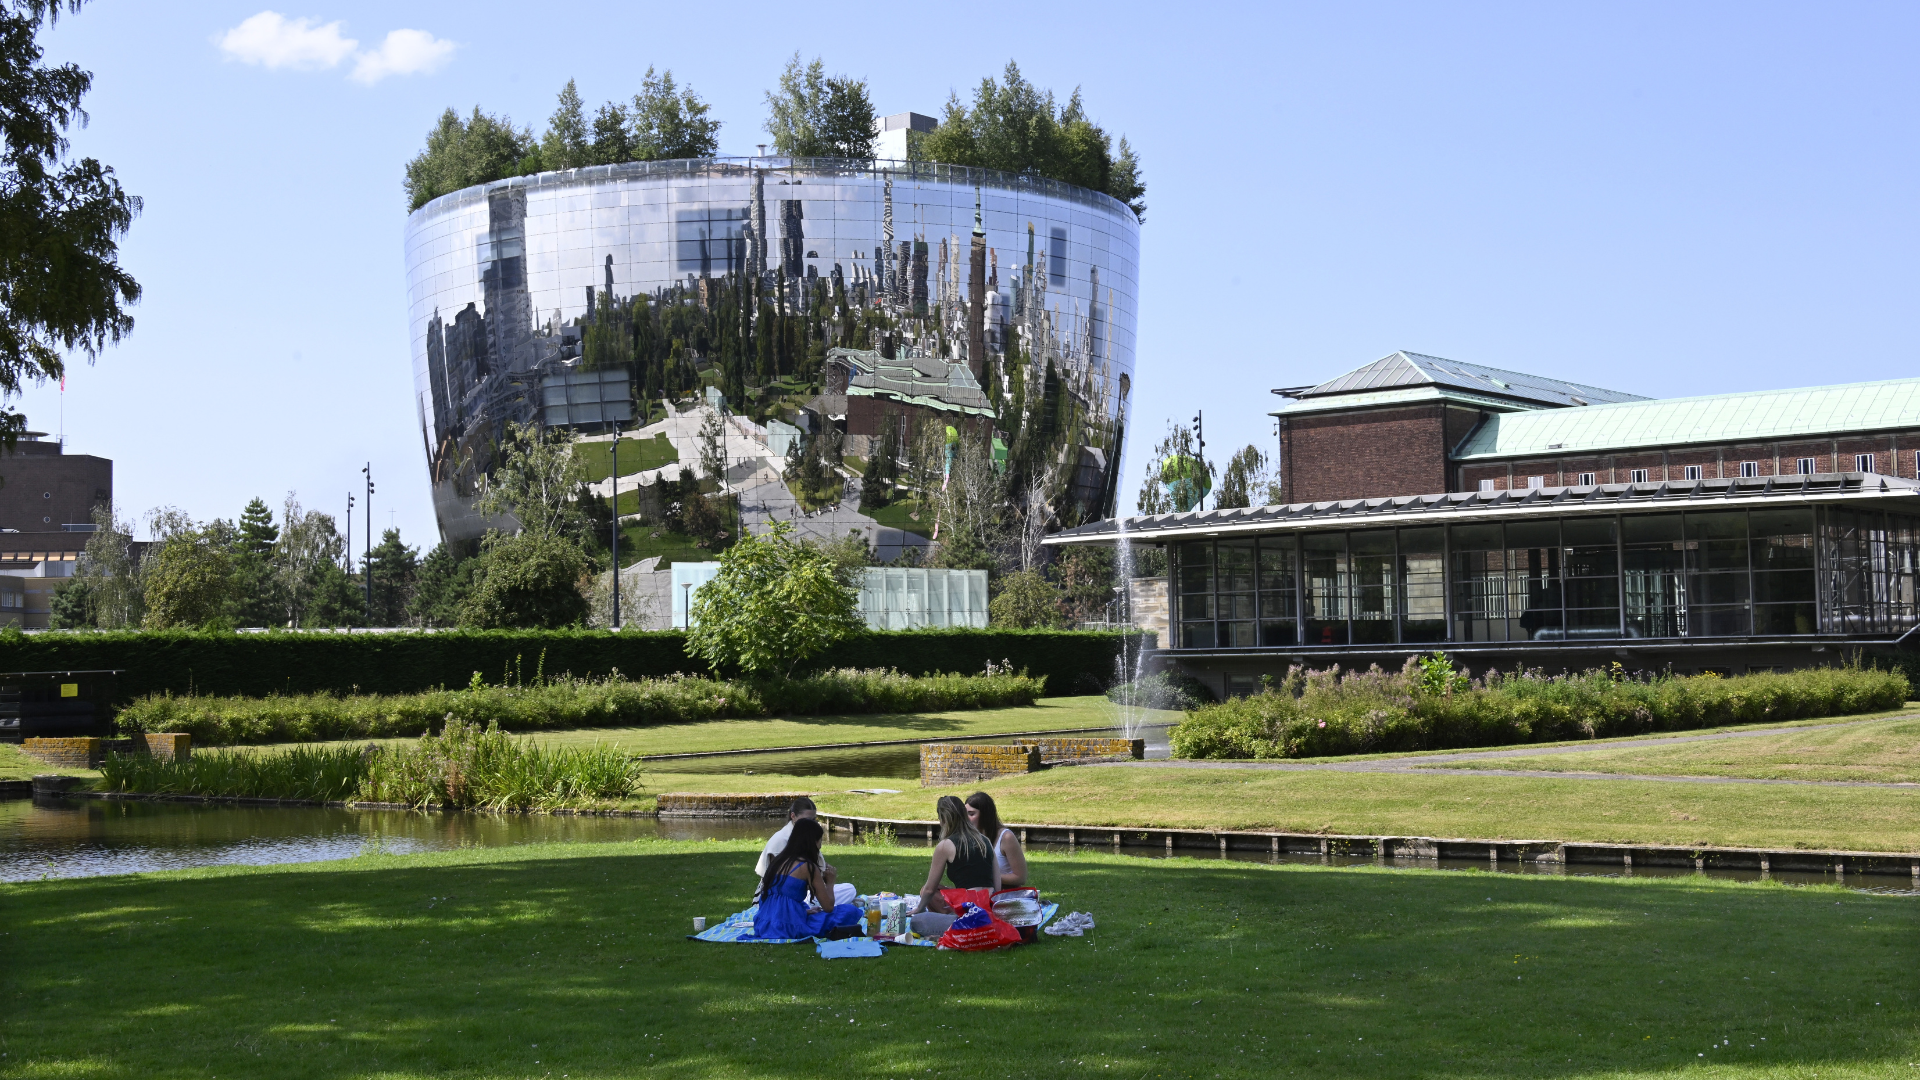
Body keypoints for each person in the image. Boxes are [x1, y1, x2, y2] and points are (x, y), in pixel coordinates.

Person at [749, 818, 864, 939]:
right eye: (820, 840)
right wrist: (830, 882)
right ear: (813, 842)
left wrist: (804, 912)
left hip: (764, 924)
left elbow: (776, 900)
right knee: (850, 911)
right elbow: (828, 907)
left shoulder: (777, 860)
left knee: (813, 911)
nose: (820, 845)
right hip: (787, 927)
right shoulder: (807, 867)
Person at [754, 796, 855, 907]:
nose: (811, 823)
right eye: (806, 820)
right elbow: (779, 883)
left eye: (813, 820)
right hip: (780, 900)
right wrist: (828, 882)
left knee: (849, 889)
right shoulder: (782, 841)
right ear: (793, 816)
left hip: (779, 903)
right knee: (845, 906)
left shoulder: (802, 838)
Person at [917, 794, 1001, 914]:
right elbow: (997, 884)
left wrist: (918, 909)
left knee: (922, 908)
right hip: (989, 904)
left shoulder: (945, 845)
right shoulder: (985, 840)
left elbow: (929, 890)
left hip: (968, 908)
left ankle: (951, 919)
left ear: (944, 819)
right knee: (939, 888)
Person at [966, 791, 1028, 888]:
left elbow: (1020, 878)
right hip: (980, 893)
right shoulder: (972, 838)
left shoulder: (1006, 837)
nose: (966, 819)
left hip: (1006, 894)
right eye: (965, 814)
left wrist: (987, 877)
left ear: (985, 815)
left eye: (971, 814)